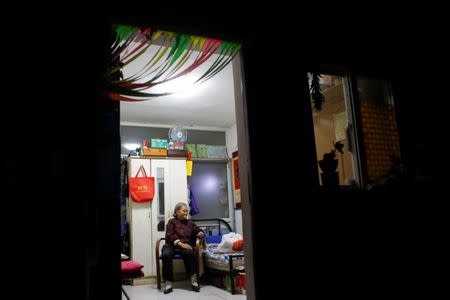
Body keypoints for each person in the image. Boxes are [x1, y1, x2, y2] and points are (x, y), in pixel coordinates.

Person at [162, 202, 205, 294]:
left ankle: (194, 281)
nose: (186, 213)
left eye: (187, 212)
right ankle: (168, 283)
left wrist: (201, 233)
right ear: (177, 212)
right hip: (172, 245)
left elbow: (199, 230)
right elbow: (170, 235)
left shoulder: (190, 223)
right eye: (184, 211)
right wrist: (180, 244)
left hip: (185, 245)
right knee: (166, 255)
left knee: (189, 253)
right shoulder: (171, 222)